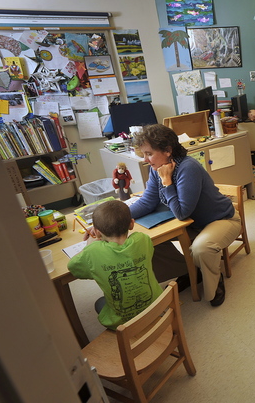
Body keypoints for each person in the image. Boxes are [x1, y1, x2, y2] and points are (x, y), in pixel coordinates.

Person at [129, 124, 241, 307]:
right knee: (145, 239)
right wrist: (117, 218)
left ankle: (214, 279)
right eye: (144, 154)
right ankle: (190, 271)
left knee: (201, 248)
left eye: (149, 153)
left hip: (221, 219)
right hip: (193, 223)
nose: (145, 159)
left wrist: (167, 182)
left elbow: (181, 213)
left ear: (167, 150)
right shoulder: (156, 168)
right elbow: (147, 202)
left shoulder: (188, 168)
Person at [67, 200, 162, 330]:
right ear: (131, 224)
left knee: (99, 303)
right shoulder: (143, 239)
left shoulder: (92, 252)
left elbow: (73, 267)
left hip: (123, 323)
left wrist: (90, 245)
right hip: (157, 306)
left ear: (97, 232)